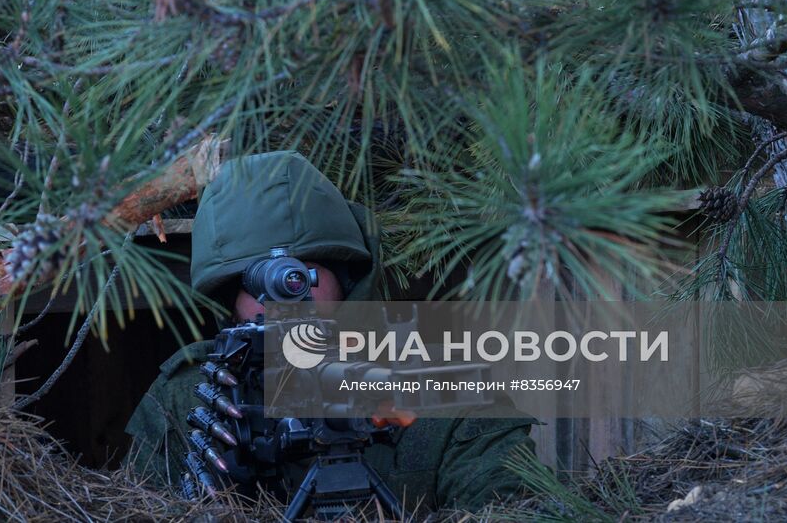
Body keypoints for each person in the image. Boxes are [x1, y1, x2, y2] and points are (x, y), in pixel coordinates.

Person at [124, 151, 536, 513]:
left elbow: (513, 505)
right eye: (254, 284)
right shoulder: (191, 396)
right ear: (227, 302)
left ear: (345, 276)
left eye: (300, 276)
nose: (283, 301)